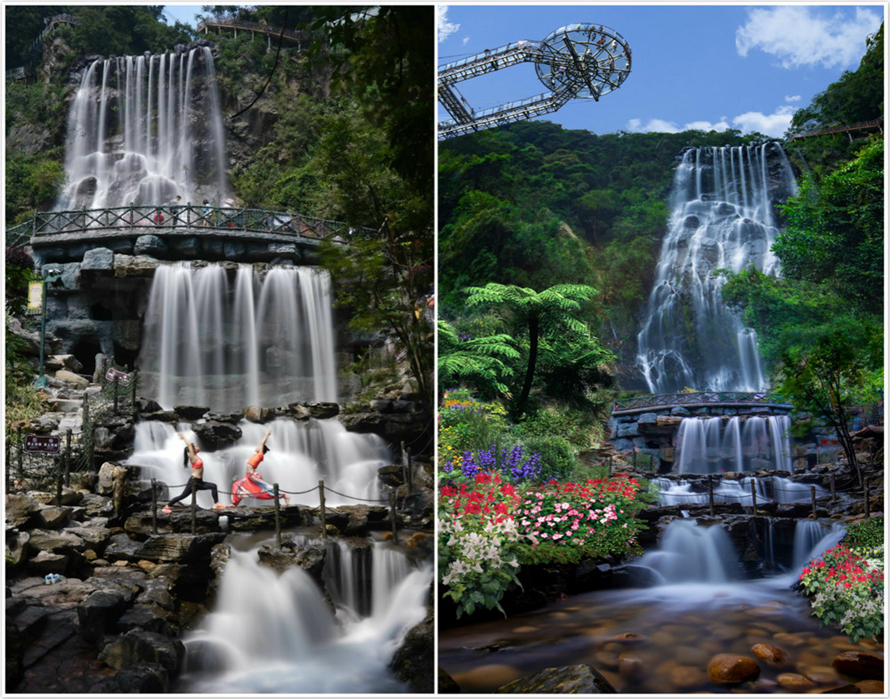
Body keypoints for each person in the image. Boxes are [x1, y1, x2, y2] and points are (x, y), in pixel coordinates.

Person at [163, 433, 227, 512]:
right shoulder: (192, 458)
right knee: (182, 496)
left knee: (213, 486)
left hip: (199, 482)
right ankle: (167, 506)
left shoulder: (197, 457)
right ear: (192, 450)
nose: (198, 447)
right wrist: (184, 438)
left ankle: (216, 504)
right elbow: (189, 445)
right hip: (194, 481)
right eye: (196, 446)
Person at [231, 428, 290, 506]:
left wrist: (267, 434)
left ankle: (285, 496)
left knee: (266, 488)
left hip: (253, 475)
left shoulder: (260, 455)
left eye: (259, 447)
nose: (257, 446)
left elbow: (262, 443)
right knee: (236, 485)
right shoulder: (255, 455)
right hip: (248, 475)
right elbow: (260, 443)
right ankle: (234, 504)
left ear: (261, 450)